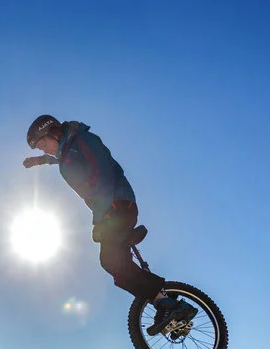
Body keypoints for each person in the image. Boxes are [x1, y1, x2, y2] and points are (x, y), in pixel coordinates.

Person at [23, 115, 197, 335]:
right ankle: (166, 304)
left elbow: (102, 173)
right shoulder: (67, 153)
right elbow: (64, 160)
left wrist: (100, 219)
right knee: (118, 272)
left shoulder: (84, 140)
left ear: (53, 133)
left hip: (118, 205)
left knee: (110, 260)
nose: (44, 150)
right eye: (41, 149)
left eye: (43, 144)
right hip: (109, 210)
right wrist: (39, 161)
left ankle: (166, 303)